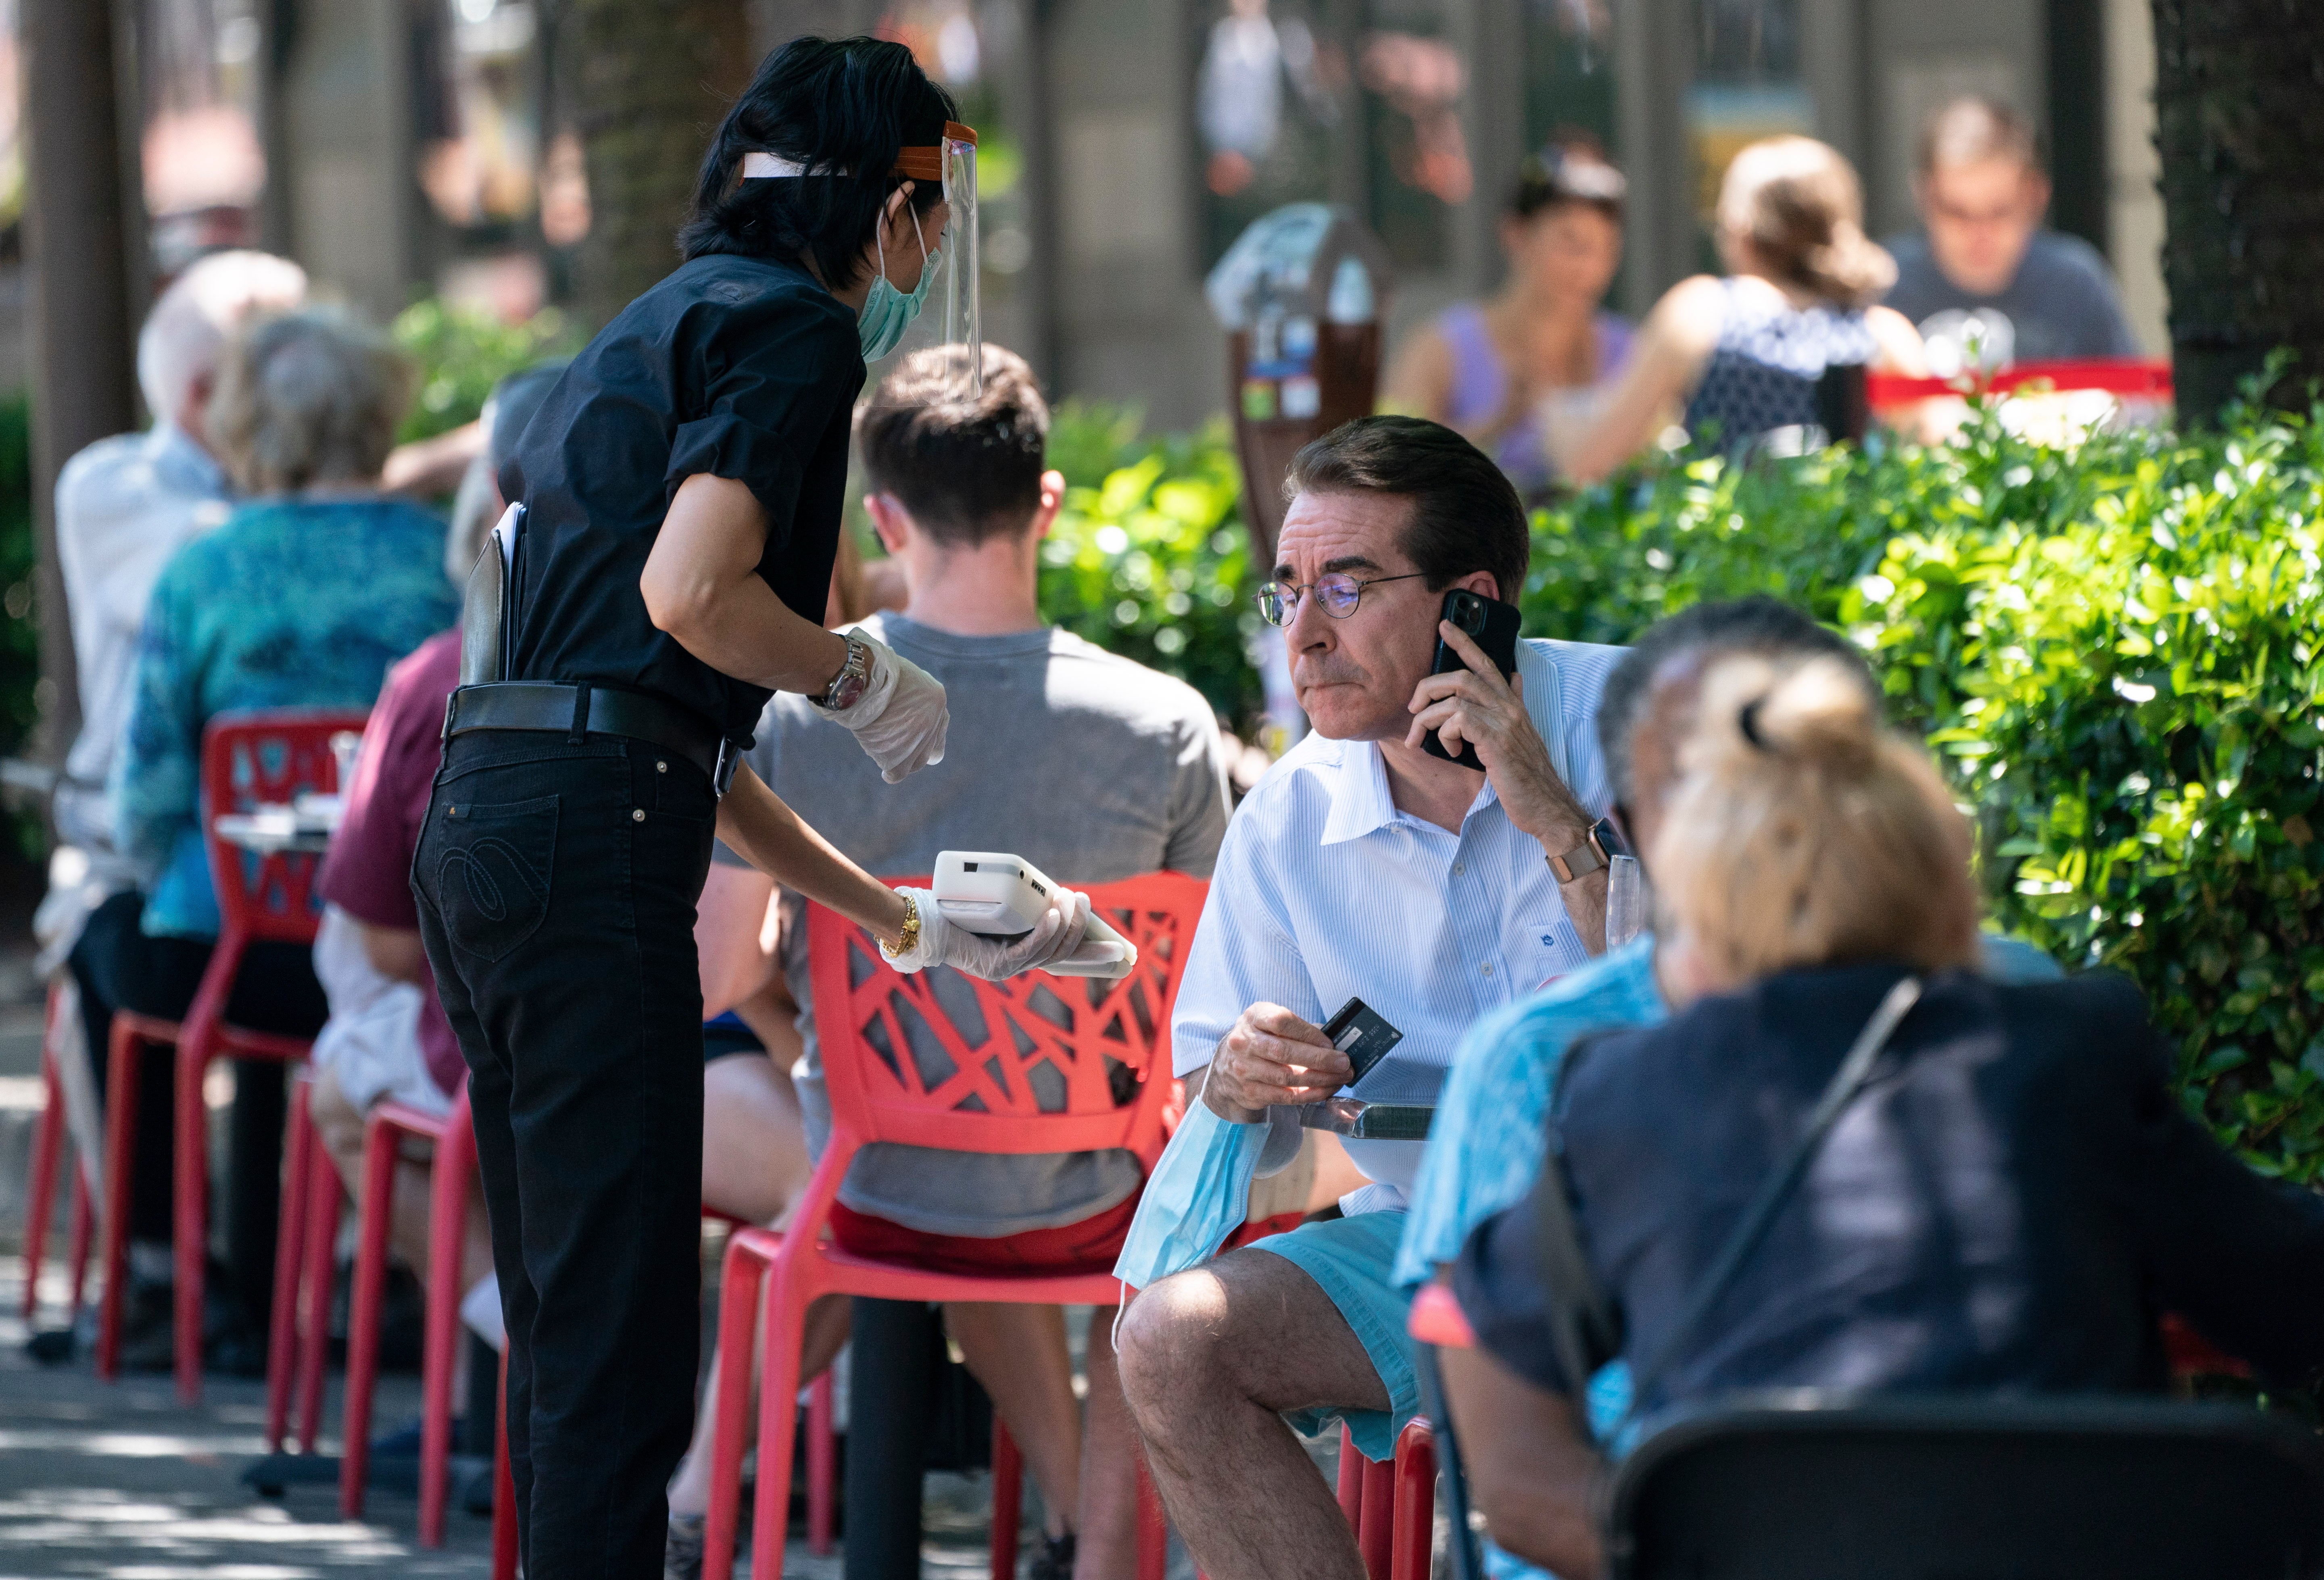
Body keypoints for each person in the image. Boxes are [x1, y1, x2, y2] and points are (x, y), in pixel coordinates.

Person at [411, 38, 1109, 1577]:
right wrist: (857, 678)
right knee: (618, 1355)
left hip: (496, 814)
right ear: (882, 198)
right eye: (931, 199)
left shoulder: (660, 320)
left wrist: (891, 915)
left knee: (571, 1323)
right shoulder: (797, 330)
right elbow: (688, 599)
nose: (934, 244)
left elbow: (677, 735)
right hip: (591, 839)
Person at [1446, 653, 2324, 1578]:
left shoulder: (1617, 1098)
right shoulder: (2074, 1052)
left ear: (1693, 914)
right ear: (1945, 885)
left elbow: (1505, 1452)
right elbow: (2290, 1296)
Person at [660, 342, 1233, 1580]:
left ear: (881, 516)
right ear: (1047, 503)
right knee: (1074, 1178)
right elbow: (1199, 998)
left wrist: (823, 993)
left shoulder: (801, 711)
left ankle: (700, 1505)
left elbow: (710, 978)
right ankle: (1094, 1546)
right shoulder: (1168, 726)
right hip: (1091, 1198)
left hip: (870, 1180)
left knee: (841, 1126)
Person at [1394, 598, 2059, 1578]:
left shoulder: (2025, 998)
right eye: (1719, 790)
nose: (1770, 823)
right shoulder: (1540, 1059)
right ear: (1634, 822)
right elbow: (1513, 1457)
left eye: (1811, 775)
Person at [1111, 414, 1624, 1580]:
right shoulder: (1288, 818)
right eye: (1285, 589)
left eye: (1345, 585)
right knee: (1169, 1343)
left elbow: (1726, 1023)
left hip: (1669, 1228)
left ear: (1470, 603)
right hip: (1431, 1240)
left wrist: (1556, 822)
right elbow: (1226, 1116)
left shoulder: (1634, 725)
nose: (1303, 629)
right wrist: (1237, 1085)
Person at [103, 306, 458, 1363]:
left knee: (113, 943)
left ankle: (181, 1273)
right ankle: (373, 1275)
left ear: (248, 422)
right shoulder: (441, 558)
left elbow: (149, 792)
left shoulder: (201, 573)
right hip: (401, 947)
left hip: (227, 954)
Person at [36, 250, 308, 1364]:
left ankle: (283, 1276)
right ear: (207, 396)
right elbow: (210, 571)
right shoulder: (119, 489)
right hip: (172, 865)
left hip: (283, 881)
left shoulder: (285, 507)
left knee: (126, 943)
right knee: (112, 934)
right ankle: (159, 1268)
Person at [306, 362, 570, 1378]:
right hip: (716, 1047)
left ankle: (524, 1347)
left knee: (344, 1084)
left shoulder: (436, 681)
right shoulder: (717, 658)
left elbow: (379, 936)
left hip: (508, 1050)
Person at [1565, 136, 1925, 483]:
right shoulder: (1884, 336)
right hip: (1851, 545)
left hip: (1730, 541)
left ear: (1741, 231)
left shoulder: (1699, 315)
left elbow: (1592, 466)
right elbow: (1945, 459)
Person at [1382, 140, 1631, 494]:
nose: (1588, 267)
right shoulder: (1440, 350)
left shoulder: (1631, 350)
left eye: (1605, 249)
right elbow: (1390, 469)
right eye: (1571, 242)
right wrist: (1500, 422)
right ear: (1517, 235)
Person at [1883, 96, 2141, 369]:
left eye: (2000, 212)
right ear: (1925, 199)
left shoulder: (2077, 283)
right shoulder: (1882, 284)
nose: (1979, 233)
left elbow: (2137, 401)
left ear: (2036, 197)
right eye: (1956, 212)